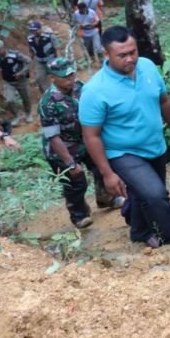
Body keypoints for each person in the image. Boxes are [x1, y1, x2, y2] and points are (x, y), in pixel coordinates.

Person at [80, 26, 170, 248]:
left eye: (133, 52)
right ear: (106, 54)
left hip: (155, 145)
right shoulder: (95, 90)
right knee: (156, 194)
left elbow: (164, 100)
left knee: (142, 194)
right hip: (123, 153)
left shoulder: (147, 66)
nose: (130, 59)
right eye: (122, 55)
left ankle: (139, 232)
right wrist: (107, 174)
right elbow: (91, 136)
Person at [39, 57, 118, 229]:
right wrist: (70, 162)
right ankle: (79, 215)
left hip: (84, 140)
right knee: (76, 182)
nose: (70, 79)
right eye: (65, 76)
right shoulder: (48, 103)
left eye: (71, 74)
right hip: (61, 148)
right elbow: (53, 137)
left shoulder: (80, 87)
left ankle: (106, 198)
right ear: (52, 78)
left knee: (100, 166)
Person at [0, 39, 34, 125]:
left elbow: (29, 61)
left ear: (3, 48)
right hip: (8, 82)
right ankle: (17, 116)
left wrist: (21, 73)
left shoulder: (15, 55)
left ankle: (28, 113)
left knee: (26, 98)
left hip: (21, 81)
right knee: (9, 100)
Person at [27, 20, 59, 94]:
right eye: (32, 30)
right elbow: (31, 51)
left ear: (40, 29)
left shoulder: (50, 37)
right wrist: (29, 62)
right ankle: (47, 94)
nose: (34, 32)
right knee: (39, 78)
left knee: (57, 76)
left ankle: (60, 91)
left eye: (35, 30)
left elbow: (57, 49)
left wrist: (58, 61)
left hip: (51, 60)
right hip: (40, 62)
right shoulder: (30, 39)